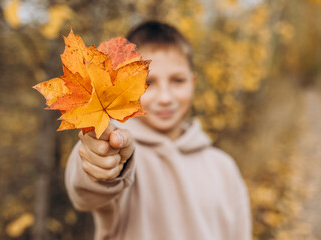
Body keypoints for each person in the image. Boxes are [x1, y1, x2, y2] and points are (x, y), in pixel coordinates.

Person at [65, 21, 252, 240]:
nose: (165, 98)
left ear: (193, 83)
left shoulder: (223, 168)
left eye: (178, 81)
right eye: (148, 83)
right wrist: (100, 160)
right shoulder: (122, 152)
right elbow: (88, 188)